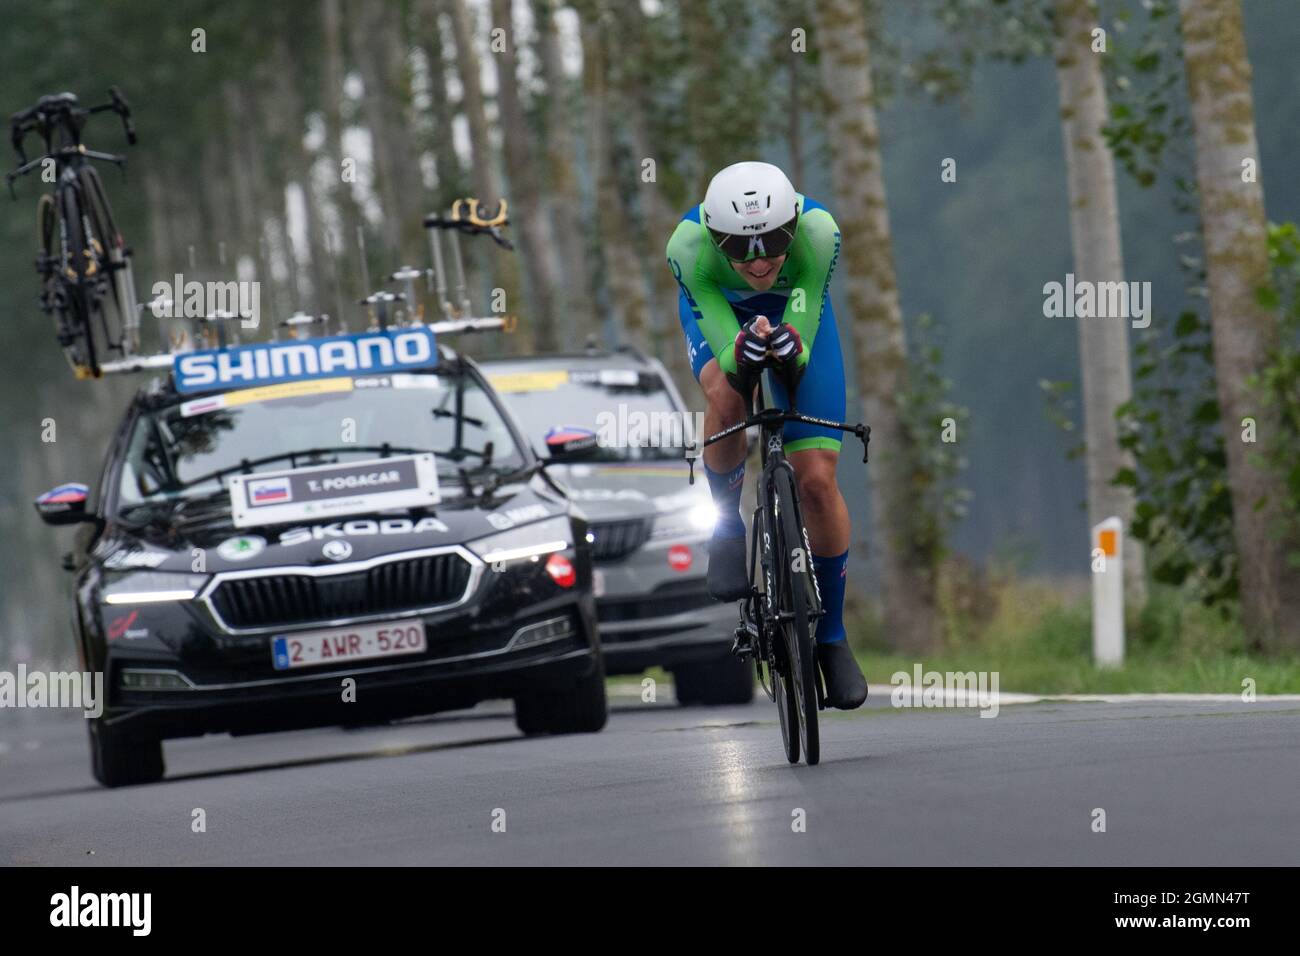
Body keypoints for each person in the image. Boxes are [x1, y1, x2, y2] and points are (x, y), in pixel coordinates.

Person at [666, 161, 868, 709]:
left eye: (773, 241)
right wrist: (739, 354)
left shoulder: (820, 232)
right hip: (720, 313)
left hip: (796, 312)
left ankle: (831, 638)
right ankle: (727, 527)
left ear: (795, 224)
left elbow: (803, 321)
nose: (758, 261)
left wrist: (790, 345)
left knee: (819, 483)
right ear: (713, 236)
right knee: (729, 394)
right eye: (738, 246)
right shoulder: (687, 248)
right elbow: (721, 337)